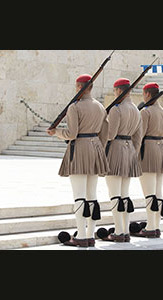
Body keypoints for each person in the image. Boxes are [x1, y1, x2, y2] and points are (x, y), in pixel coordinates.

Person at [47, 74, 109, 247]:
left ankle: (81, 236)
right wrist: (98, 148)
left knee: (79, 196)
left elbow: (72, 133)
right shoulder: (100, 106)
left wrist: (57, 132)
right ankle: (90, 235)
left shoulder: (74, 107)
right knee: (92, 196)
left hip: (80, 148)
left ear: (78, 87)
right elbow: (105, 133)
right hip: (95, 148)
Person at [103, 78, 142, 242]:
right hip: (130, 150)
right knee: (124, 195)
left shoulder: (116, 109)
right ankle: (125, 231)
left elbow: (110, 135)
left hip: (117, 149)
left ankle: (119, 232)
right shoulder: (136, 109)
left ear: (118, 90)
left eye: (114, 91)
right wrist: (134, 153)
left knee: (114, 194)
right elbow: (138, 137)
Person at [133, 82, 163, 238]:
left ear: (147, 94)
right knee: (158, 192)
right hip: (161, 150)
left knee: (149, 192)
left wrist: (134, 154)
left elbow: (140, 136)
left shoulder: (146, 112)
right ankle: (156, 225)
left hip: (148, 150)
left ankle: (150, 227)